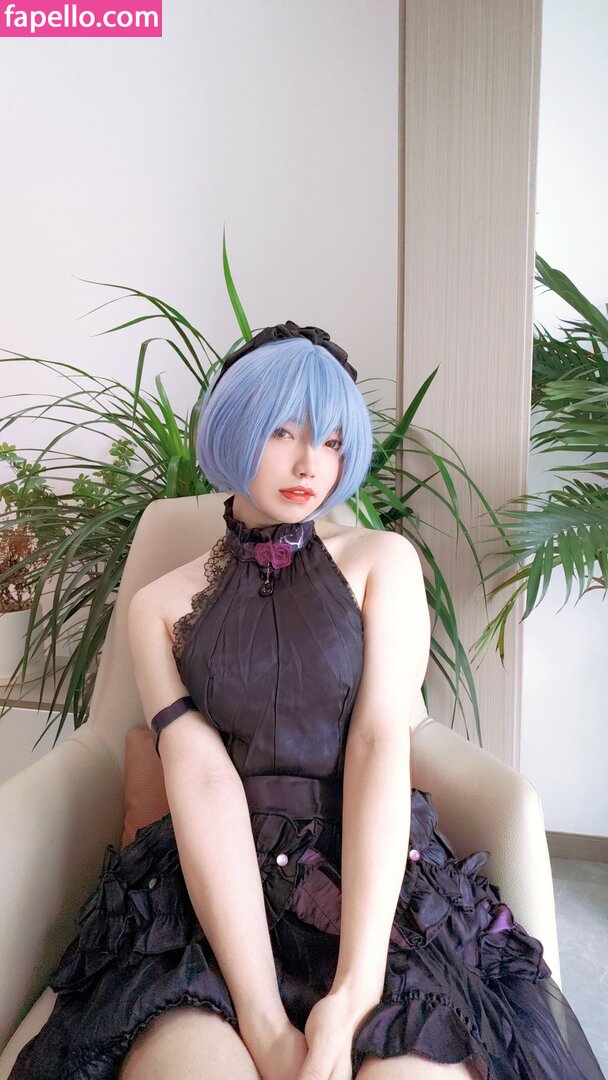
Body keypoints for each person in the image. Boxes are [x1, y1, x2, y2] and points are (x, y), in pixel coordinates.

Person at [8, 322, 604, 1080]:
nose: (308, 464)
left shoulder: (383, 561)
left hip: (371, 875)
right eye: (282, 431)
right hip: (212, 892)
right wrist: (262, 1020)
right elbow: (201, 778)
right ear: (234, 427)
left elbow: (379, 742)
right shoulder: (158, 605)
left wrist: (357, 987)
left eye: (331, 440)